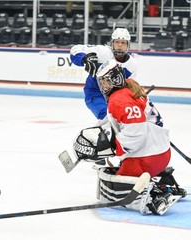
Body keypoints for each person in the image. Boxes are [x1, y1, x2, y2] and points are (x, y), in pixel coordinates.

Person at [72, 59, 186, 215]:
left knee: (112, 190)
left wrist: (113, 150)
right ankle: (165, 181)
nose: (103, 87)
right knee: (112, 175)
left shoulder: (119, 99)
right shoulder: (129, 85)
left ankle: (156, 197)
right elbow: (128, 123)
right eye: (101, 82)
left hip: (148, 158)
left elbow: (136, 134)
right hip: (159, 152)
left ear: (115, 79)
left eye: (105, 82)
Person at [70, 27, 137, 121]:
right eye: (117, 42)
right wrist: (84, 58)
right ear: (112, 43)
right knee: (108, 118)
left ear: (128, 45)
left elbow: (129, 88)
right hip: (95, 93)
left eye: (123, 43)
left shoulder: (131, 65)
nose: (119, 45)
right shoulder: (102, 52)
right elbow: (75, 49)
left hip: (117, 97)